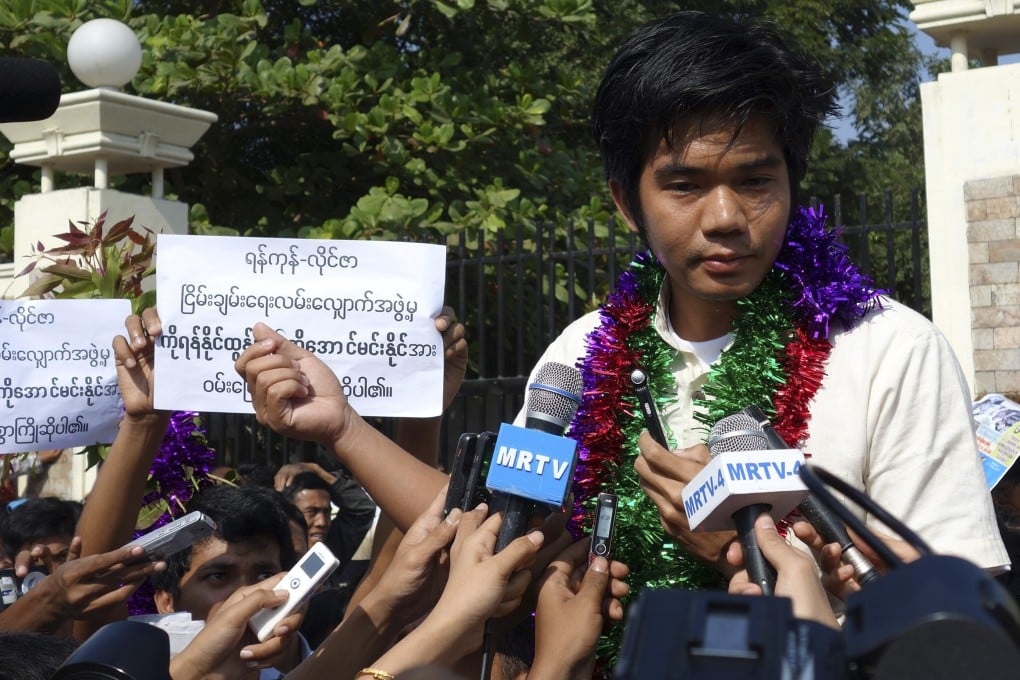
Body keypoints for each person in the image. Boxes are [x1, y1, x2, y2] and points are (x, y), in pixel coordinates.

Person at [517, 9, 1007, 603]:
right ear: (627, 203)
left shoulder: (891, 352)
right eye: (685, 186)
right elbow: (513, 553)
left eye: (754, 182)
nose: (725, 218)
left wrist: (744, 545)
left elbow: (956, 615)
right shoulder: (579, 356)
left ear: (793, 184)